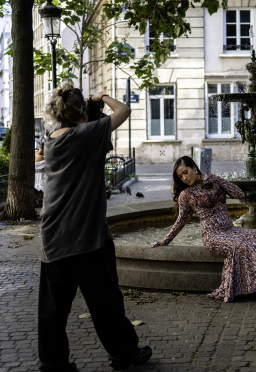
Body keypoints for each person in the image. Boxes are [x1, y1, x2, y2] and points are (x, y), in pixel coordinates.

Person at [39, 84, 152, 372]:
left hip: (53, 237)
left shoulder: (51, 140)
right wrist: (100, 97)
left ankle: (53, 364)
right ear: (82, 113)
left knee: (53, 309)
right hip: (86, 237)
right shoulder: (86, 134)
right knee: (106, 303)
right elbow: (123, 110)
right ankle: (124, 355)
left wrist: (85, 107)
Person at [151, 156, 256, 303]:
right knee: (246, 246)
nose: (185, 178)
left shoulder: (213, 181)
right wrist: (165, 240)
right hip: (213, 236)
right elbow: (181, 221)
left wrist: (217, 179)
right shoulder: (186, 195)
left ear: (194, 167)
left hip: (230, 230)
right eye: (181, 176)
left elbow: (239, 193)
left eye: (186, 172)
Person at [35, 143, 46, 207]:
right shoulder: (42, 157)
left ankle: (39, 199)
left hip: (35, 175)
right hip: (41, 176)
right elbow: (45, 169)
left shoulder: (35, 154)